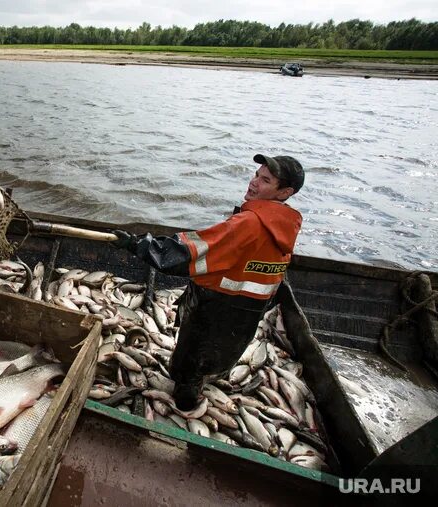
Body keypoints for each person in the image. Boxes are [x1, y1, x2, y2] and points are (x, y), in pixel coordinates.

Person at [111, 154, 304, 410]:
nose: (254, 182)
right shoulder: (286, 225)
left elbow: (188, 254)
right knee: (220, 355)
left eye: (265, 180)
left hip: (215, 310)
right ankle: (212, 375)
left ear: (285, 192)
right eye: (257, 175)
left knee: (189, 364)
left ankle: (185, 405)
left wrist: (138, 245)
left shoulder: (249, 223)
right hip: (248, 314)